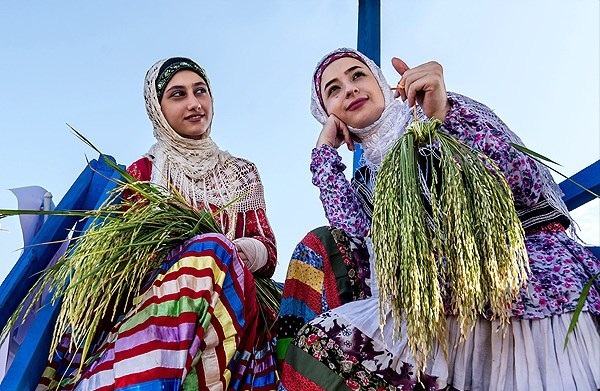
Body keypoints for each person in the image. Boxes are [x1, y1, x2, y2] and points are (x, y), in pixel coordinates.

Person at [277, 48, 600, 391]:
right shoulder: (368, 183)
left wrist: (444, 116)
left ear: (382, 83)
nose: (350, 89)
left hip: (521, 277)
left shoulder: (440, 109)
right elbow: (357, 237)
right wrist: (324, 153)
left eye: (358, 75)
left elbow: (527, 183)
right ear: (330, 115)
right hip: (441, 305)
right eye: (334, 90)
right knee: (325, 342)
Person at [37, 57, 279, 390]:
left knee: (215, 250)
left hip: (236, 305)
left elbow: (267, 249)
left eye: (200, 91)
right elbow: (125, 265)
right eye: (178, 95)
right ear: (158, 108)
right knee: (210, 251)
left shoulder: (241, 172)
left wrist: (238, 252)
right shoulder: (143, 175)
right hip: (160, 303)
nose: (194, 104)